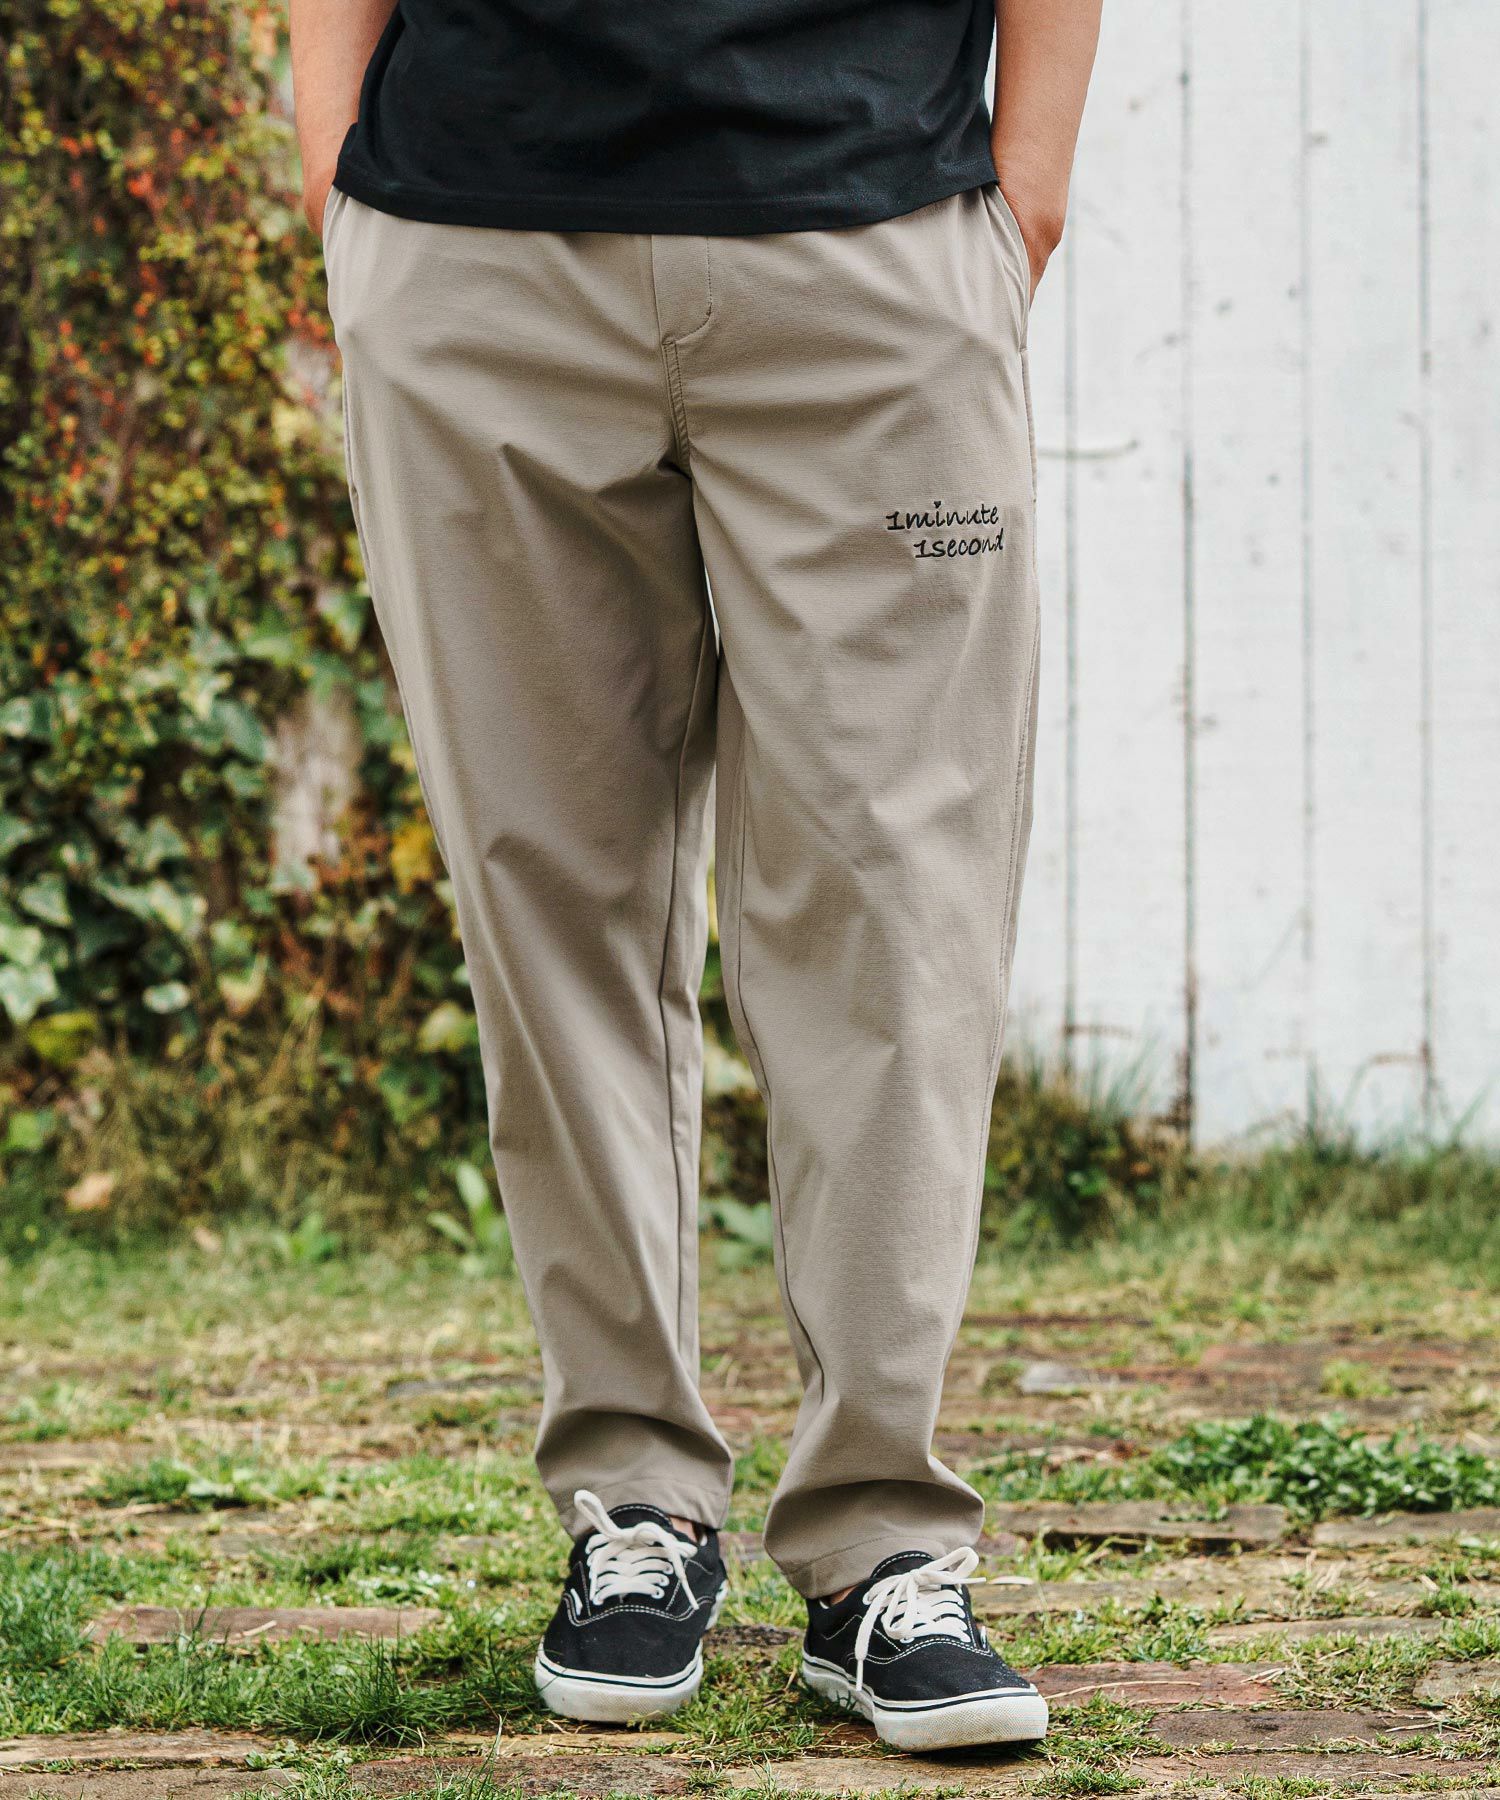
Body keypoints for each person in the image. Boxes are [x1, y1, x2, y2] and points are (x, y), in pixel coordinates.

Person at [292, 0, 1099, 1752]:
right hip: (476, 247)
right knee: (552, 895)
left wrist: (1025, 184)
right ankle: (634, 1506)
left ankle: (884, 1542)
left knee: (898, 911)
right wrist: (334, 165)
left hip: (872, 250)